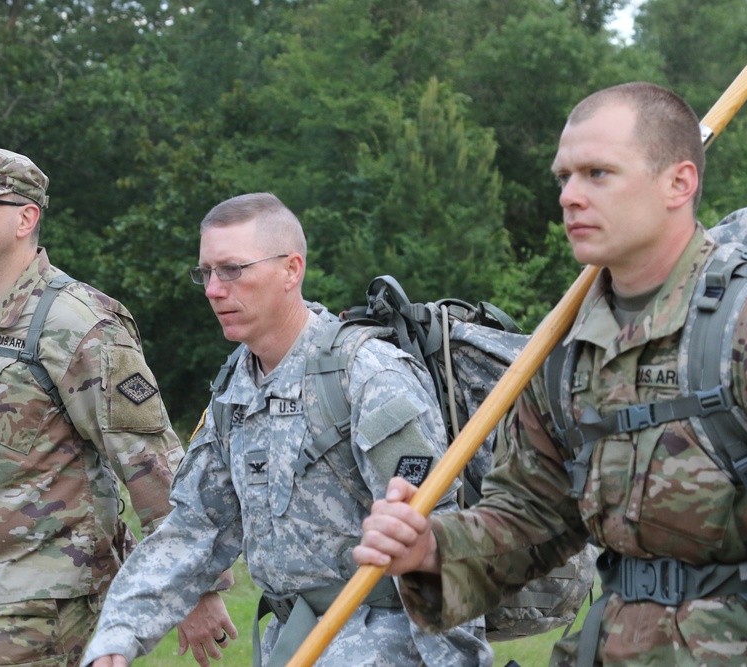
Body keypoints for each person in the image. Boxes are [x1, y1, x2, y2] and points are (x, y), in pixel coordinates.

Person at [354, 81, 747, 665]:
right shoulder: (563, 349)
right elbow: (531, 517)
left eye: (597, 174)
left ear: (679, 183)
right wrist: (430, 549)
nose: (569, 196)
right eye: (563, 177)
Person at [0, 146, 234, 667]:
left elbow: (151, 462)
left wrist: (196, 585)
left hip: (46, 597)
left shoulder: (79, 324)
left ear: (26, 218)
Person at [81, 192, 493, 667]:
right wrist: (117, 637)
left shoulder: (368, 376)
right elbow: (197, 528)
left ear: (291, 270)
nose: (214, 289)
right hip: (293, 642)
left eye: (233, 270)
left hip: (384, 645)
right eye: (206, 272)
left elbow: (437, 543)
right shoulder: (236, 385)